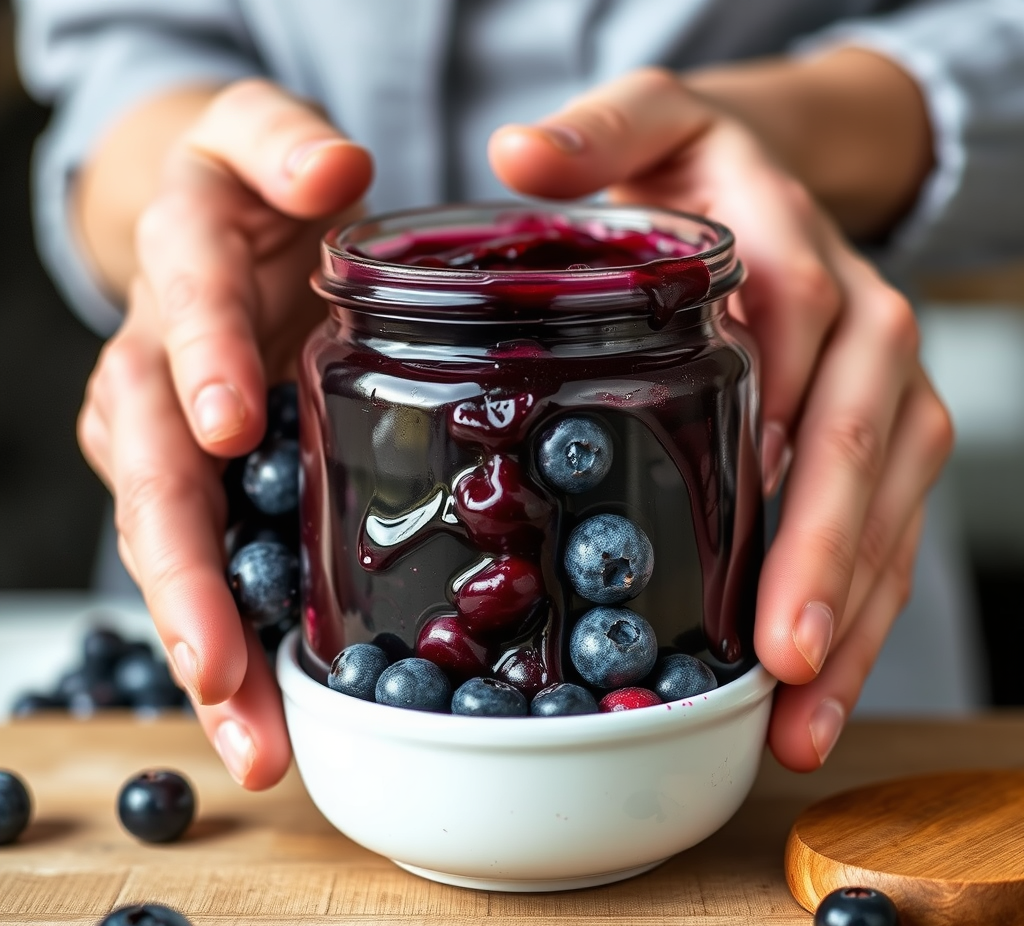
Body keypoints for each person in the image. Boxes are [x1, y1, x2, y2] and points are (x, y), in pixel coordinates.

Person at [13, 1, 1024, 789]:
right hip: (279, 457)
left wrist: (806, 131)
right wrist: (179, 221)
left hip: (803, 510)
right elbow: (117, 54)